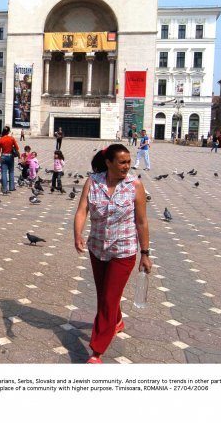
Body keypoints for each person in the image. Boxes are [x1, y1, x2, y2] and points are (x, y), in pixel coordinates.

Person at [73, 144, 151, 364]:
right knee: (104, 294)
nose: (127, 166)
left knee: (108, 299)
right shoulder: (93, 182)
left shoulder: (135, 185)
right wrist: (77, 233)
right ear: (108, 163)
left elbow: (142, 222)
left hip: (124, 250)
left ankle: (97, 350)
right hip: (97, 247)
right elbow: (82, 210)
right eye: (122, 162)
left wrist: (145, 253)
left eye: (128, 162)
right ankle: (116, 321)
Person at [0, 126, 20, 195]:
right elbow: (17, 148)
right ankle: (11, 187)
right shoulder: (11, 139)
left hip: (3, 157)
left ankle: (4, 188)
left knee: (3, 173)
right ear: (8, 132)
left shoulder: (0, 139)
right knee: (11, 172)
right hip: (10, 156)